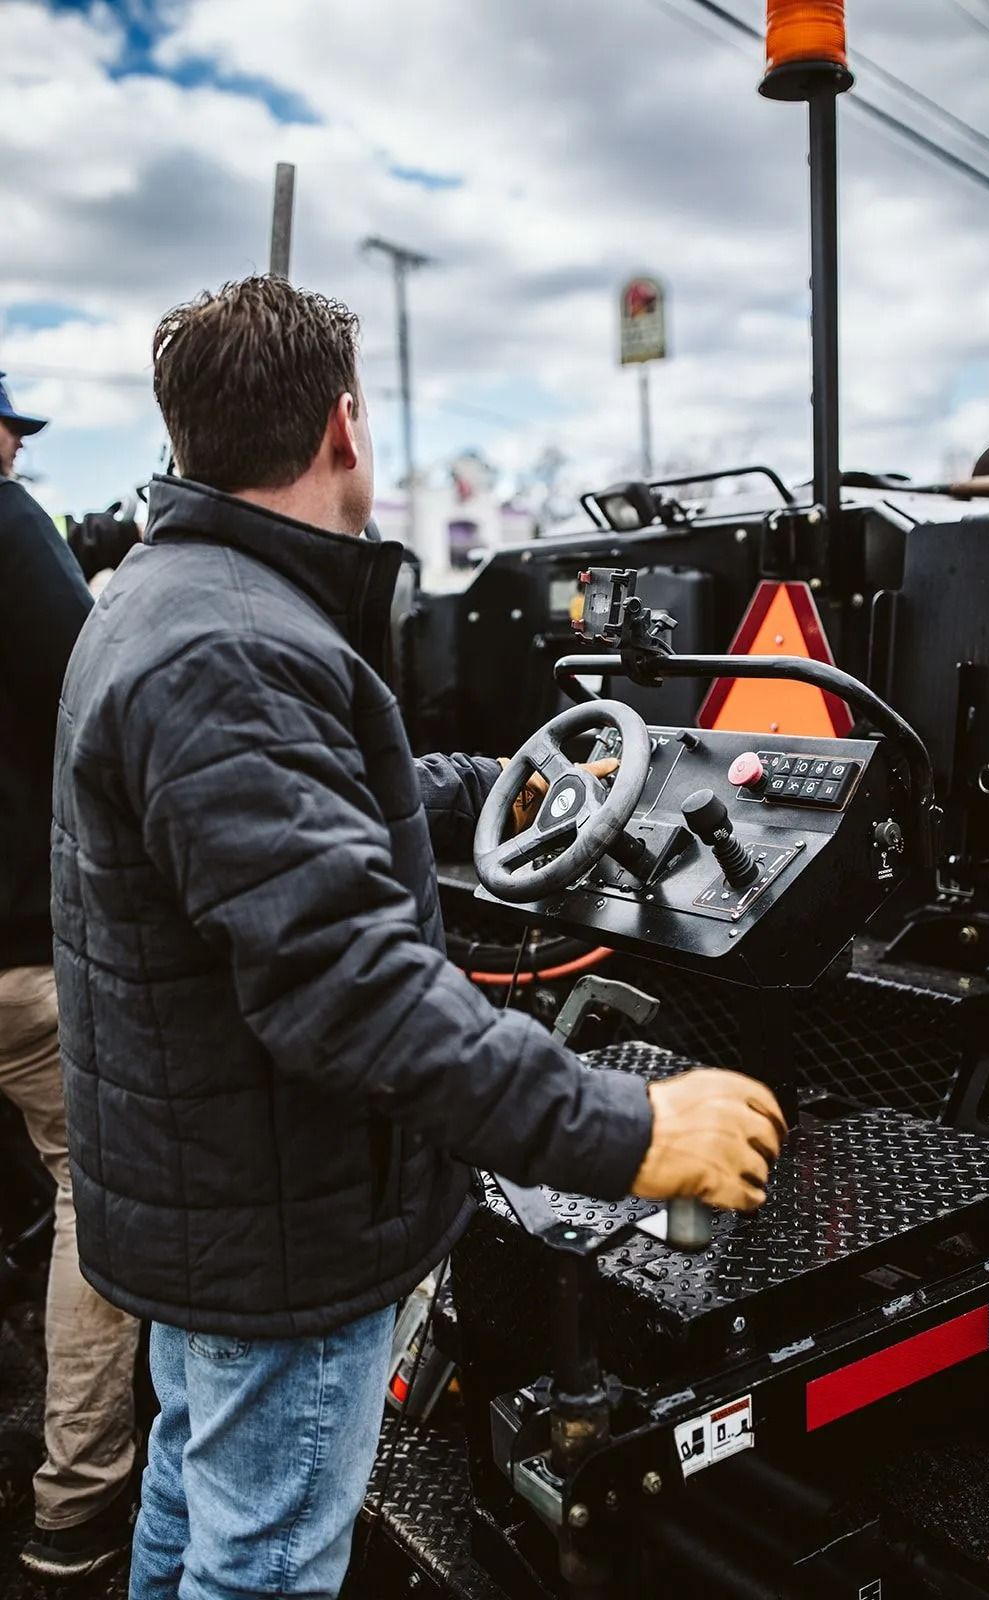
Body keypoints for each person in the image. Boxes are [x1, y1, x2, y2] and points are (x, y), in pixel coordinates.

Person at [51, 276, 786, 1600]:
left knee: (188, 1496)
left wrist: (513, 780)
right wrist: (635, 1134)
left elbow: (321, 794)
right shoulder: (229, 647)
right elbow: (353, 993)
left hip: (208, 1195)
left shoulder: (177, 600)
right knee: (262, 1560)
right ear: (344, 426)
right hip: (284, 1227)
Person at [0, 372, 141, 1578]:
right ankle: (80, 1496)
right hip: (20, 958)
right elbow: (91, 684)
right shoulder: (4, 521)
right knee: (91, 1192)